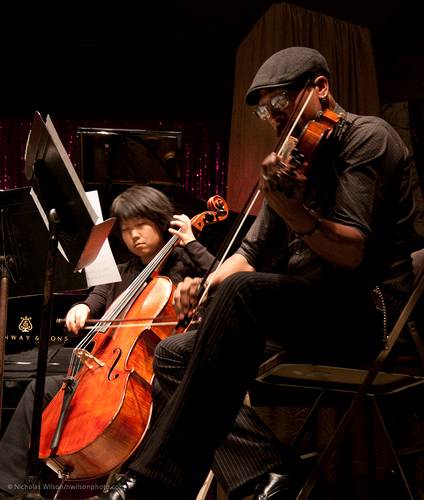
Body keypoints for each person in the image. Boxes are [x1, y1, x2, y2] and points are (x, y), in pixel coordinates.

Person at [86, 46, 418, 500]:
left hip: (369, 314)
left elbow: (353, 254)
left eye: (281, 104)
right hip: (308, 312)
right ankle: (268, 475)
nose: (275, 119)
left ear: (320, 88)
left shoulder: (367, 137)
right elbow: (251, 253)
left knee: (245, 292)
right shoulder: (295, 162)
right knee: (174, 354)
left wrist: (292, 209)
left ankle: (156, 481)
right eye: (267, 111)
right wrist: (204, 287)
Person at [0, 184, 216, 499]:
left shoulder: (187, 263)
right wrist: (83, 307)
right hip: (108, 365)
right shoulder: (126, 271)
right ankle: (8, 486)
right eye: (126, 230)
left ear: (161, 222)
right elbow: (100, 294)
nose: (134, 236)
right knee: (41, 386)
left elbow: (223, 279)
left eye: (141, 225)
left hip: (157, 369)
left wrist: (192, 243)